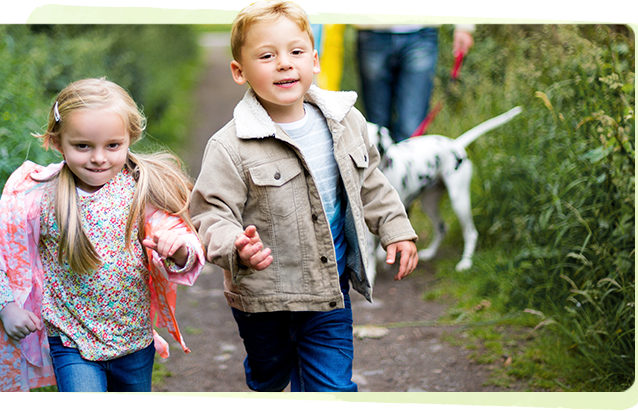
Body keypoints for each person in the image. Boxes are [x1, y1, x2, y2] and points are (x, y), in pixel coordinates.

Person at [190, 0, 418, 392]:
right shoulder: (230, 146)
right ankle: (271, 377)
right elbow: (210, 213)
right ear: (239, 71)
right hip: (263, 299)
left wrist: (396, 228)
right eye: (267, 55)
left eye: (295, 52)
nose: (284, 63)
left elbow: (370, 181)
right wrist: (236, 247)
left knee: (330, 386)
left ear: (314, 60)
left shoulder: (345, 122)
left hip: (328, 290)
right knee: (271, 374)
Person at [0, 78, 206, 392]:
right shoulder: (41, 199)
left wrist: (179, 250)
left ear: (130, 138)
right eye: (83, 146)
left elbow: (178, 235)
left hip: (134, 341)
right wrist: (6, 307)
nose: (99, 158)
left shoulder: (139, 192)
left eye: (113, 145)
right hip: (71, 341)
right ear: (56, 141)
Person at [350, 0, 476, 142]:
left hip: (421, 30)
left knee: (411, 128)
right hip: (372, 29)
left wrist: (465, 24)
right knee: (375, 128)